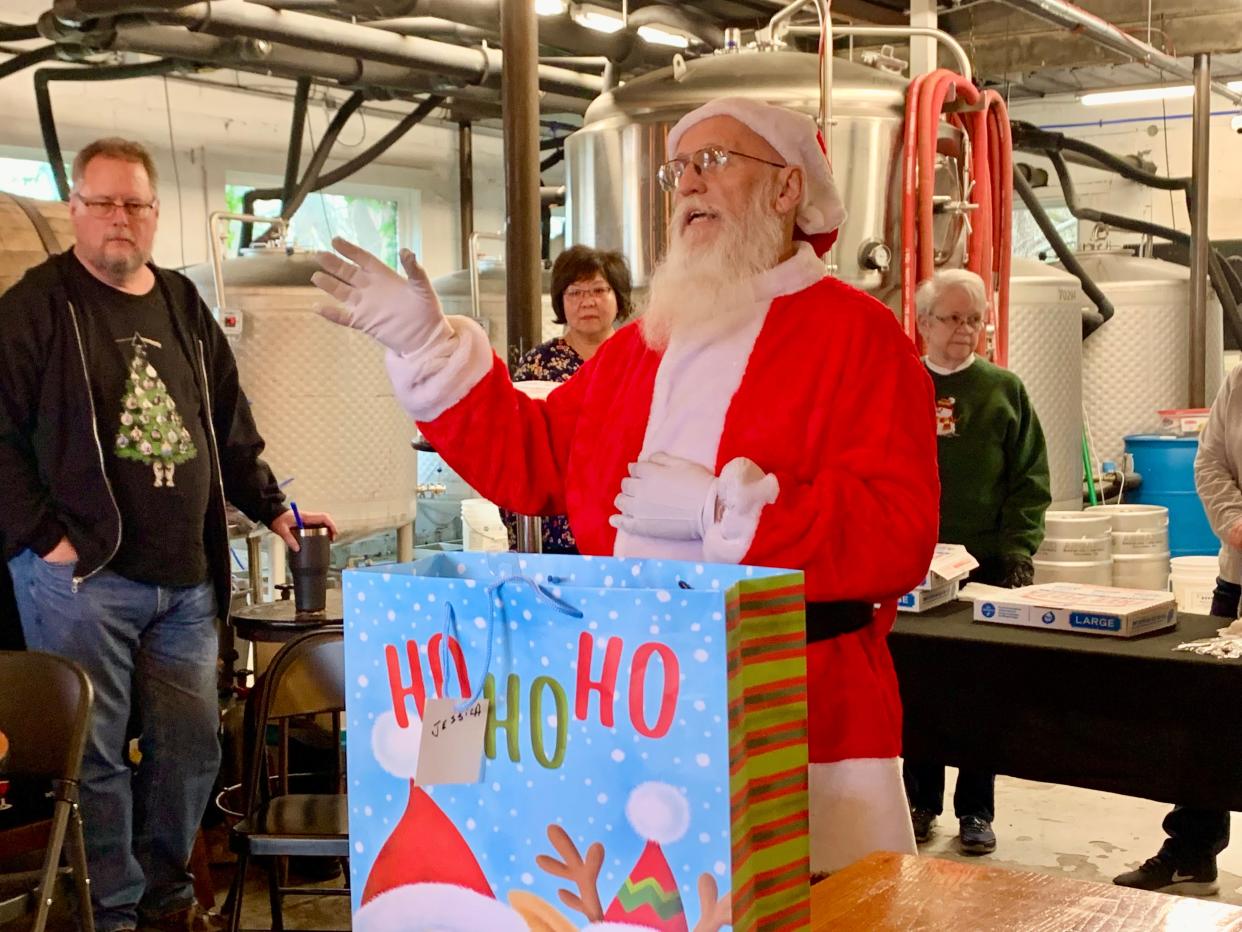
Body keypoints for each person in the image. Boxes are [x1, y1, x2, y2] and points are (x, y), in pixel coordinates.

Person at [313, 96, 940, 875]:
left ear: (787, 190)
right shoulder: (642, 346)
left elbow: (899, 531)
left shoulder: (861, 337)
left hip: (797, 714)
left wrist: (727, 514)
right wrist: (427, 347)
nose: (689, 188)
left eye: (714, 163)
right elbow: (534, 457)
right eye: (679, 171)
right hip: (633, 709)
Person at [0, 137, 335, 932]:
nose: (121, 219)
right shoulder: (34, 307)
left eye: (136, 205)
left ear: (154, 215)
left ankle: (166, 901)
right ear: (75, 210)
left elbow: (228, 422)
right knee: (100, 761)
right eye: (104, 203)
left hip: (184, 578)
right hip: (81, 580)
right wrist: (46, 537)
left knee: (191, 754)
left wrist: (275, 509)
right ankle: (113, 913)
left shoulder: (183, 304)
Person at [902, 269, 1051, 856]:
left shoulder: (1003, 390)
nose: (964, 330)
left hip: (985, 568)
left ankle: (977, 810)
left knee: (979, 694)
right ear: (923, 325)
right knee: (920, 690)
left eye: (973, 318)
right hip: (913, 568)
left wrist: (1018, 548)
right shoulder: (898, 384)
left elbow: (1030, 478)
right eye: (951, 318)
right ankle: (918, 802)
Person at [1113, 366, 1242, 895]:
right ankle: (1192, 850)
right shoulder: (1238, 383)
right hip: (1237, 577)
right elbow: (1210, 462)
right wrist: (1235, 523)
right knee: (1209, 722)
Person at [502, 244, 633, 554]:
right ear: (561, 300)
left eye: (599, 290)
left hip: (626, 509)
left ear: (618, 296)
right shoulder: (540, 363)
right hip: (557, 518)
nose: (587, 301)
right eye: (575, 293)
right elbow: (519, 443)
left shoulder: (638, 355)